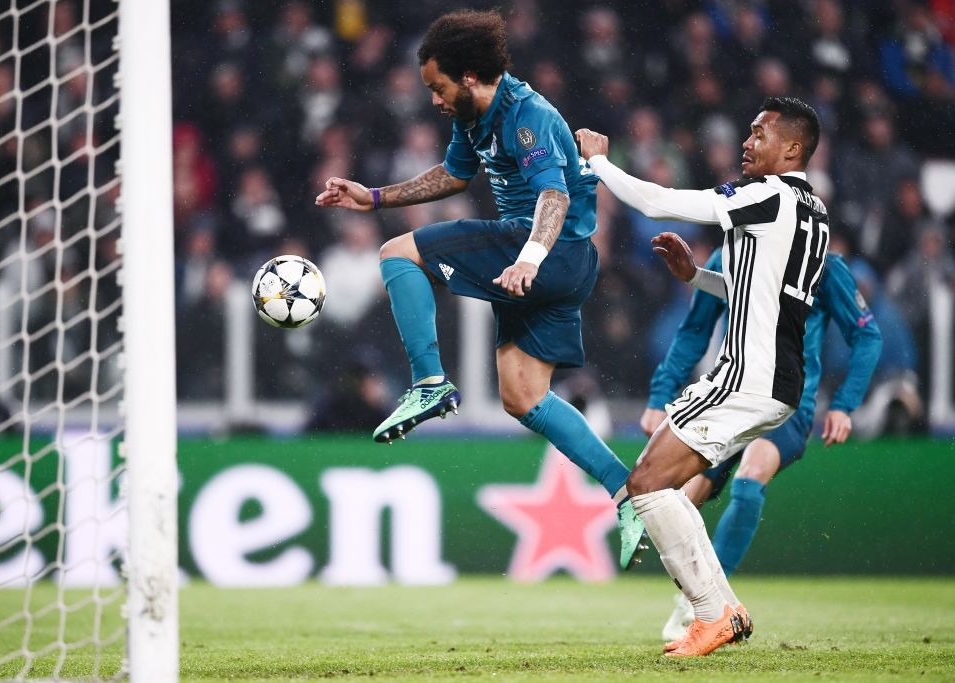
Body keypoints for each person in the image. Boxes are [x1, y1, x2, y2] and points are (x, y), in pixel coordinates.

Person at [314, 10, 642, 561]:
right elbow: (453, 175)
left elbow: (554, 196)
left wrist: (530, 258)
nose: (433, 100)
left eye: (438, 87)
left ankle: (428, 383)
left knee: (398, 254)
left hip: (545, 250)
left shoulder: (527, 115)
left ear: (468, 76)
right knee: (524, 397)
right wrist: (371, 197)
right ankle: (629, 492)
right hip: (559, 264)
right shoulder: (472, 116)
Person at [576, 96, 829, 656]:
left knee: (645, 484)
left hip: (745, 376)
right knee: (662, 486)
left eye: (760, 133)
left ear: (791, 148)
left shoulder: (768, 196)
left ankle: (713, 613)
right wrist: (695, 277)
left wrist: (598, 163)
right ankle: (718, 611)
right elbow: (766, 299)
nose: (747, 141)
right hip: (775, 382)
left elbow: (660, 202)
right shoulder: (812, 210)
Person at [642, 242, 882, 641]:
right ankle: (700, 599)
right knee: (683, 499)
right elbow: (695, 331)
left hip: (785, 405)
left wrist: (844, 404)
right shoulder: (727, 258)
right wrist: (659, 394)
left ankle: (702, 608)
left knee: (749, 478)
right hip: (728, 399)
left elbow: (866, 334)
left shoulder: (821, 264)